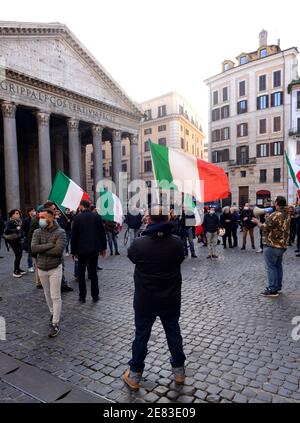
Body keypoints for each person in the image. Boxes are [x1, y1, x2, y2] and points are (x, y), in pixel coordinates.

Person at [124, 208, 186, 391]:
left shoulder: (139, 243)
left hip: (146, 299)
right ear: (167, 219)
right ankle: (179, 373)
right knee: (173, 334)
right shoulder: (176, 242)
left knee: (141, 336)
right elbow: (180, 259)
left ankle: (135, 375)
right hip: (170, 298)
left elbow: (132, 257)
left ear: (149, 219)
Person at [31, 208, 66, 337]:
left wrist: (42, 249)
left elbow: (58, 251)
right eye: (40, 217)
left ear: (51, 218)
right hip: (41, 267)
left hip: (54, 268)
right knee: (47, 293)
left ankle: (55, 323)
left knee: (55, 296)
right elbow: (34, 248)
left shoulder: (60, 232)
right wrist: (51, 245)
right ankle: (52, 313)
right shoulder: (37, 232)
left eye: (43, 217)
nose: (40, 220)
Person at [252, 196, 290, 297]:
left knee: (271, 267)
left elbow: (264, 227)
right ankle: (278, 286)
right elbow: (274, 225)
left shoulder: (275, 214)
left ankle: (272, 289)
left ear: (277, 203)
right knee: (278, 266)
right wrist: (267, 218)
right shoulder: (286, 213)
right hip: (282, 245)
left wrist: (257, 222)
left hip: (272, 244)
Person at [71, 200, 107, 303]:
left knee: (81, 274)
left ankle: (82, 297)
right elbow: (102, 233)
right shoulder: (96, 216)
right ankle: (95, 295)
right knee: (93, 273)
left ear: (81, 206)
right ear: (89, 206)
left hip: (81, 250)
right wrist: (103, 248)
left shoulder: (77, 218)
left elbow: (74, 236)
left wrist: (73, 251)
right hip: (94, 249)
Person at [3, 209, 26, 278]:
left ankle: (18, 268)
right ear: (12, 215)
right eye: (16, 213)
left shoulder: (17, 221)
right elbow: (6, 230)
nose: (18, 214)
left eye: (18, 213)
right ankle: (15, 271)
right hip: (13, 241)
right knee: (18, 255)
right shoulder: (10, 222)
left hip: (18, 240)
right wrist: (17, 229)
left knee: (20, 255)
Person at [23, 207, 36, 272]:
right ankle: (30, 266)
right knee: (30, 253)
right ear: (29, 212)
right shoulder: (26, 220)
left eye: (34, 210)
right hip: (29, 238)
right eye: (33, 211)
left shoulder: (36, 218)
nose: (34, 211)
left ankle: (36, 264)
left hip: (36, 237)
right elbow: (24, 229)